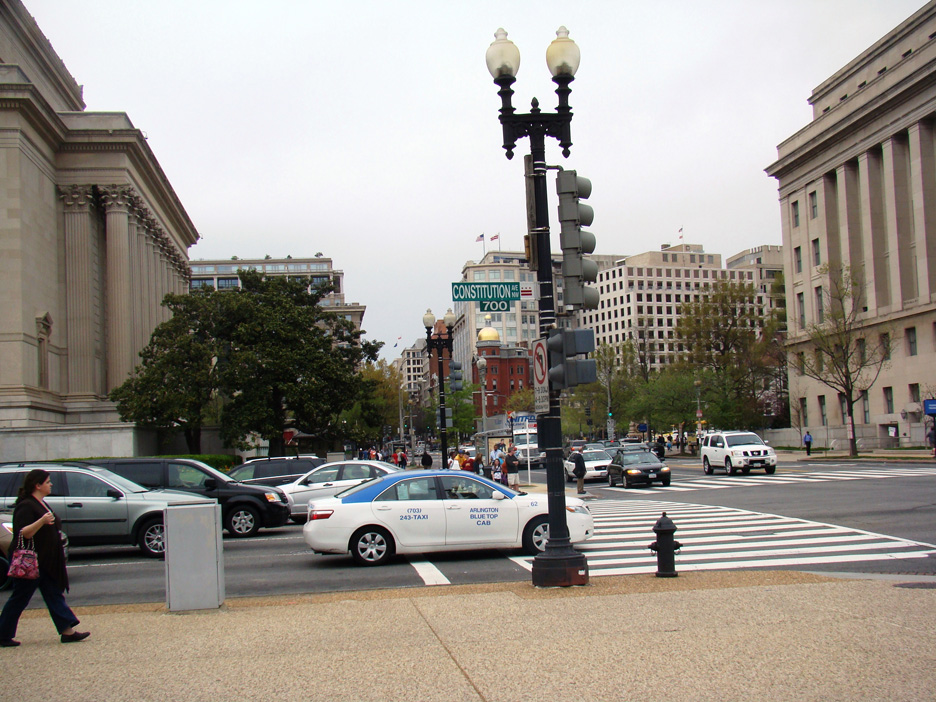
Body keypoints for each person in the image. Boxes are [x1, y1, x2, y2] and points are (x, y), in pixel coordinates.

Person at [0, 469, 90, 647]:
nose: (51, 484)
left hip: (45, 560)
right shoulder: (26, 505)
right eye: (48, 482)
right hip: (31, 561)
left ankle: (67, 631)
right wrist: (41, 521)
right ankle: (2, 634)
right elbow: (23, 532)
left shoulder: (40, 503)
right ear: (37, 485)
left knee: (53, 593)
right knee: (20, 597)